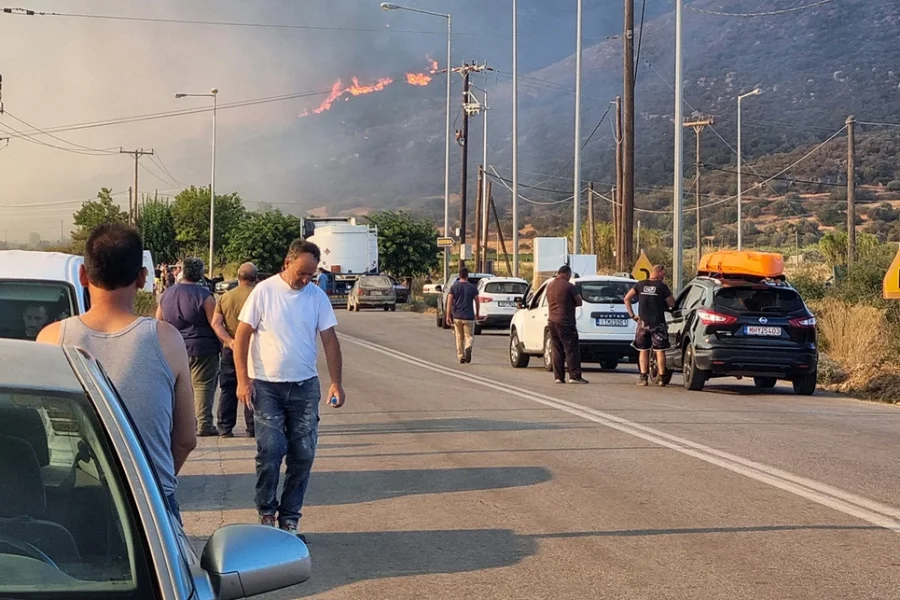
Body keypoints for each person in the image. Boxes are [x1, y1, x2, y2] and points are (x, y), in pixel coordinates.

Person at [36, 223, 196, 522]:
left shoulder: (50, 338)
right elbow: (186, 438)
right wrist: (148, 482)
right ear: (142, 278)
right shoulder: (167, 340)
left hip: (71, 501)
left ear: (83, 275)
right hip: (147, 504)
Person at [234, 240, 345, 540]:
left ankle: (290, 520)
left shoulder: (316, 297)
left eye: (311, 274)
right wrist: (243, 380)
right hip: (267, 386)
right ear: (287, 263)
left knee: (303, 454)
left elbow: (330, 341)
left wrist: (336, 382)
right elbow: (242, 336)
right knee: (270, 450)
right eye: (301, 273)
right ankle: (266, 513)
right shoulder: (264, 292)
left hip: (305, 387)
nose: (305, 279)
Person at [157, 257, 221, 436]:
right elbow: (214, 323)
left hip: (174, 347)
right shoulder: (205, 296)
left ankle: (178, 424)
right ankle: (204, 424)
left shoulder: (167, 294)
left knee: (178, 387)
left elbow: (159, 320)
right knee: (203, 386)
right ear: (200, 273)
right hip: (203, 347)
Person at [211, 262, 259, 438]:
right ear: (256, 278)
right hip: (253, 349)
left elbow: (216, 323)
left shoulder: (225, 297)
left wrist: (230, 341)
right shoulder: (258, 296)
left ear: (238, 277)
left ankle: (225, 427)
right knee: (251, 386)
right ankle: (252, 427)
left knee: (228, 388)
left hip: (230, 349)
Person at [624, 264, 676, 387]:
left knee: (643, 350)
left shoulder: (640, 285)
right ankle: (662, 378)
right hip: (658, 324)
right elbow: (672, 303)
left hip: (643, 324)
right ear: (658, 272)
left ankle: (643, 377)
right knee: (660, 351)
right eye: (663, 273)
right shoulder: (662, 287)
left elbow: (627, 298)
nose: (664, 276)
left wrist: (632, 315)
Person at [546, 265, 589, 384]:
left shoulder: (550, 285)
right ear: (566, 274)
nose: (570, 277)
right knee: (571, 348)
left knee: (556, 349)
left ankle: (558, 377)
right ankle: (574, 376)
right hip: (565, 321)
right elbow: (579, 301)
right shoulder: (569, 286)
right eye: (569, 275)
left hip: (552, 320)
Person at [445, 267, 480, 364]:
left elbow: (449, 301)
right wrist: (477, 313)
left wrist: (448, 315)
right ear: (467, 276)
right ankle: (468, 347)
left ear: (459, 276)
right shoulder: (472, 287)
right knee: (469, 336)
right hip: (469, 316)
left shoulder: (454, 287)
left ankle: (461, 355)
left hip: (457, 316)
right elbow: (477, 301)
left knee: (459, 336)